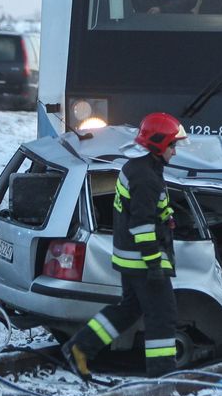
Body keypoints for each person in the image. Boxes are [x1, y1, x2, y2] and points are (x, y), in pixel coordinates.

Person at [64, 112, 189, 379]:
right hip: (143, 261)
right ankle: (162, 375)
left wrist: (167, 217)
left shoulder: (139, 168)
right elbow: (141, 224)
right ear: (158, 143)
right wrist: (154, 262)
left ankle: (81, 347)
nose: (175, 152)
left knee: (129, 309)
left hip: (130, 259)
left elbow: (142, 213)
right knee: (162, 316)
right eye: (172, 145)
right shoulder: (146, 178)